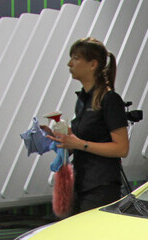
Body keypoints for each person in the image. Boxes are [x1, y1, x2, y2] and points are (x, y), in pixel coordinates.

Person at [46, 37, 130, 214]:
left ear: (92, 64)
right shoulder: (83, 100)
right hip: (80, 183)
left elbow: (121, 148)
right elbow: (83, 138)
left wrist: (79, 144)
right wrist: (62, 138)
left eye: (75, 58)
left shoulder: (110, 100)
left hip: (100, 186)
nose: (69, 64)